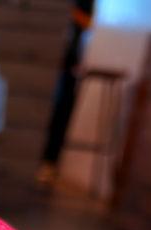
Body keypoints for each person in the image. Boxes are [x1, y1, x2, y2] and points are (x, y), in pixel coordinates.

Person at [38, 0, 95, 183]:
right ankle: (43, 161)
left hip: (68, 60)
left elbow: (86, 23)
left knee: (61, 108)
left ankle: (48, 162)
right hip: (45, 54)